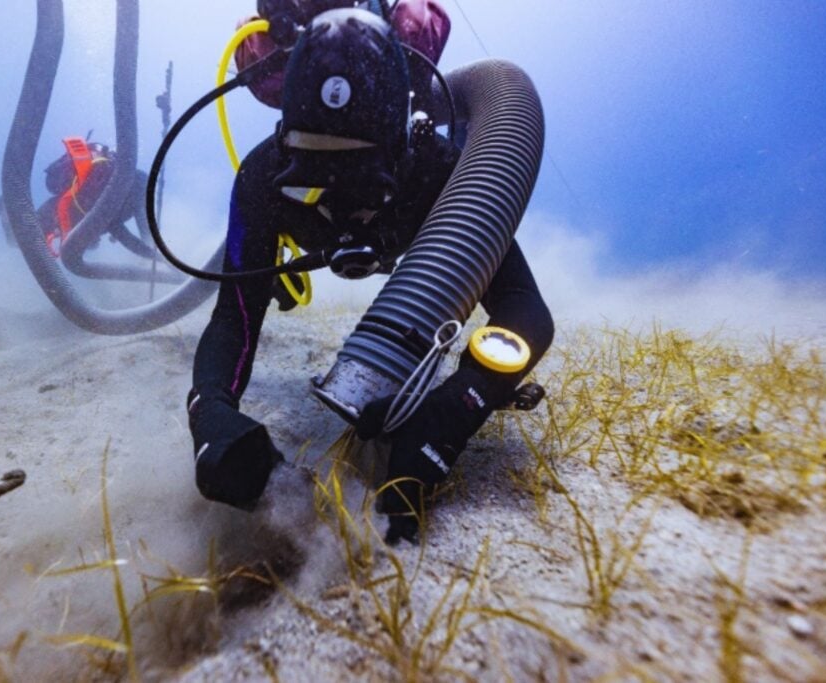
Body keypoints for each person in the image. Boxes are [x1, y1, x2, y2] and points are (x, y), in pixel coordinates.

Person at [187, 3, 554, 544]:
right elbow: (232, 321)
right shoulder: (263, 179)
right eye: (312, 180)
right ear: (286, 144)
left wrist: (452, 411)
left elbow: (526, 313)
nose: (343, 201)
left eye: (363, 182)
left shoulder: (435, 169)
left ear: (403, 149)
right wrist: (209, 411)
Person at [0, 137, 154, 258]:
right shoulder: (121, 191)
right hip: (60, 212)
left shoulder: (132, 190)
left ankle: (7, 205)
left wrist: (153, 253)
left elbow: (145, 234)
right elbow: (126, 235)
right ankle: (6, 204)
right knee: (17, 241)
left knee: (84, 245)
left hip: (70, 215)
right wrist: (156, 259)